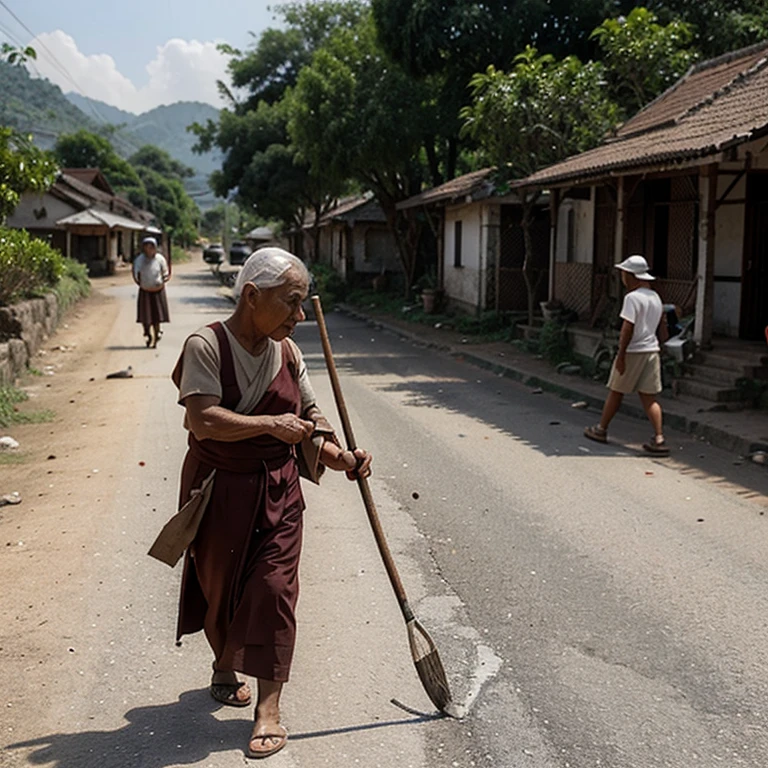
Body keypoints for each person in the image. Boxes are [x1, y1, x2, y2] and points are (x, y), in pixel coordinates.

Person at [170, 248, 372, 759]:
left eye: (303, 305)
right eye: (290, 303)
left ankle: (269, 708)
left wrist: (341, 457)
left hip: (280, 490)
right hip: (218, 489)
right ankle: (222, 663)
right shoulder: (206, 346)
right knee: (221, 589)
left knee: (275, 590)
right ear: (252, 296)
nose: (299, 317)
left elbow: (309, 417)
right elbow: (204, 420)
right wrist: (267, 425)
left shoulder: (289, 353)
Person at [584, 255, 670, 456]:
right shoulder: (655, 297)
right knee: (650, 398)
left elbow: (627, 329)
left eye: (624, 273)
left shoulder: (632, 298)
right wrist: (662, 346)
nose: (622, 277)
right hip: (651, 350)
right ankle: (659, 438)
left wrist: (621, 355)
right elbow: (662, 325)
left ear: (631, 275)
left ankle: (601, 429)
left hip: (633, 351)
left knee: (616, 390)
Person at [133, 236, 170, 348]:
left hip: (158, 290)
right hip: (145, 290)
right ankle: (148, 334)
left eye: (151, 247)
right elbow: (135, 274)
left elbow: (165, 272)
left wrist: (163, 281)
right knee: (146, 317)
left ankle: (156, 335)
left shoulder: (160, 259)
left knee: (156, 317)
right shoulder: (139, 260)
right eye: (146, 247)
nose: (149, 249)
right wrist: (141, 284)